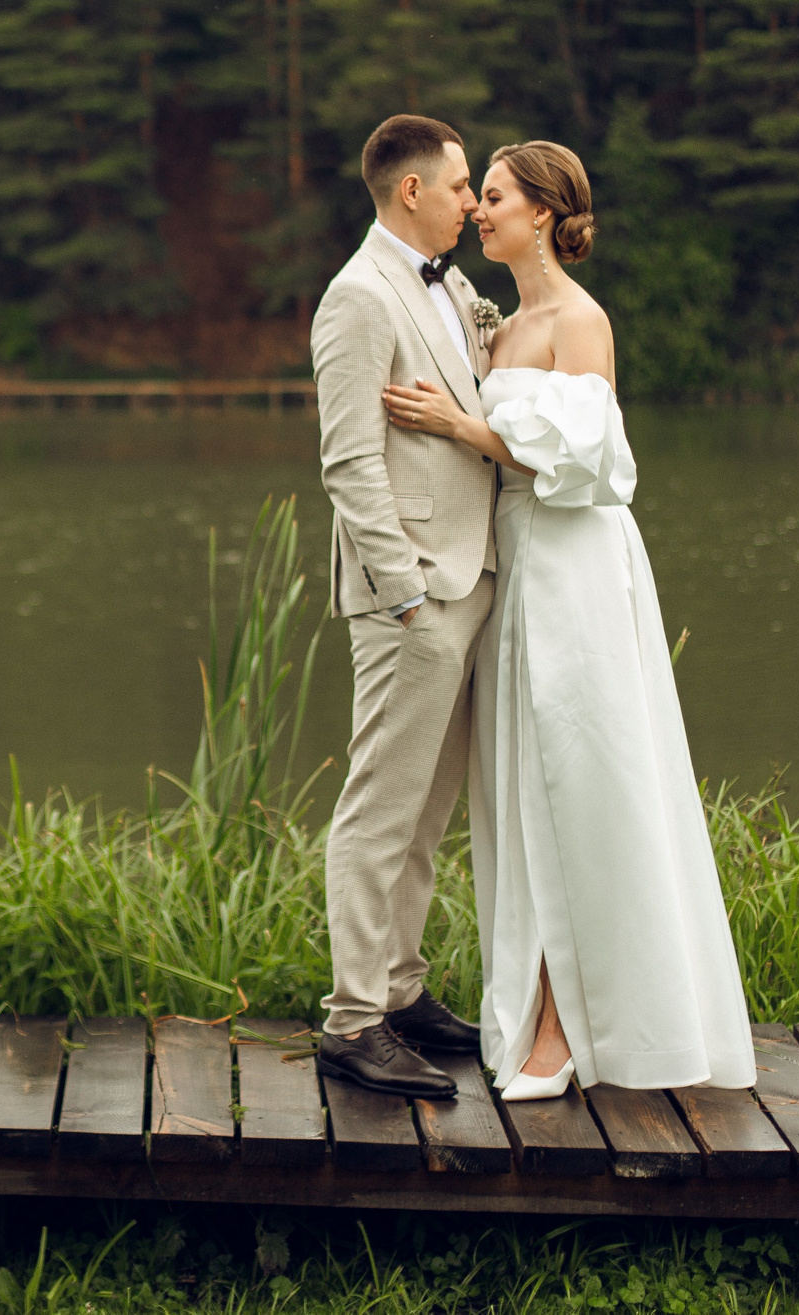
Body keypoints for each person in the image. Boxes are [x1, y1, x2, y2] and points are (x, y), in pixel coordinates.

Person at [381, 141, 753, 1100]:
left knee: (582, 788)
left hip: (578, 568)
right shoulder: (500, 326)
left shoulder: (583, 322)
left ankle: (564, 1030)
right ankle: (543, 1016)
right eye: (476, 195)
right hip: (519, 570)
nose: (478, 211)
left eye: (493, 196)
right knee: (525, 793)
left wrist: (461, 425)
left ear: (543, 212)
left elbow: (592, 465)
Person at [307, 114, 501, 1102]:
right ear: (413, 191)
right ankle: (350, 1022)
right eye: (463, 185)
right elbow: (348, 462)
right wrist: (405, 595)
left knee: (424, 815)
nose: (473, 202)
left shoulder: (449, 285)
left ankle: (399, 988)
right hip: (414, 596)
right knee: (379, 811)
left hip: (474, 578)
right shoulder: (355, 298)